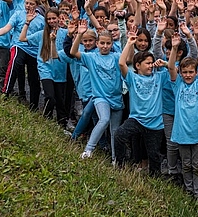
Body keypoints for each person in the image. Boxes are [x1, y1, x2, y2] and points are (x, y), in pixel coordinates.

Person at [114, 27, 169, 176]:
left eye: (152, 63)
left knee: (154, 155)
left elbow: (173, 71)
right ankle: (120, 166)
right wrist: (129, 43)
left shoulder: (159, 76)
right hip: (137, 119)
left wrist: (164, 64)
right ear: (138, 66)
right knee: (119, 135)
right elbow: (121, 64)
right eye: (147, 63)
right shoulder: (133, 78)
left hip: (155, 123)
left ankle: (155, 179)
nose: (151, 65)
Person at [167, 33, 198, 198]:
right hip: (181, 133)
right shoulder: (177, 84)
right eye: (185, 72)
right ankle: (189, 191)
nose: (187, 75)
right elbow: (171, 67)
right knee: (186, 164)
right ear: (180, 73)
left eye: (191, 72)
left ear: (196, 73)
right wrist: (174, 48)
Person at [69, 21, 123, 160]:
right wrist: (80, 34)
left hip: (116, 98)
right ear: (97, 44)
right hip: (100, 97)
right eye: (102, 43)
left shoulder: (116, 57)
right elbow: (73, 52)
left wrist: (129, 42)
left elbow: (126, 59)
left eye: (108, 44)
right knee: (103, 119)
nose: (105, 46)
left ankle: (115, 159)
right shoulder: (91, 57)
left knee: (114, 131)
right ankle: (88, 150)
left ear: (111, 44)